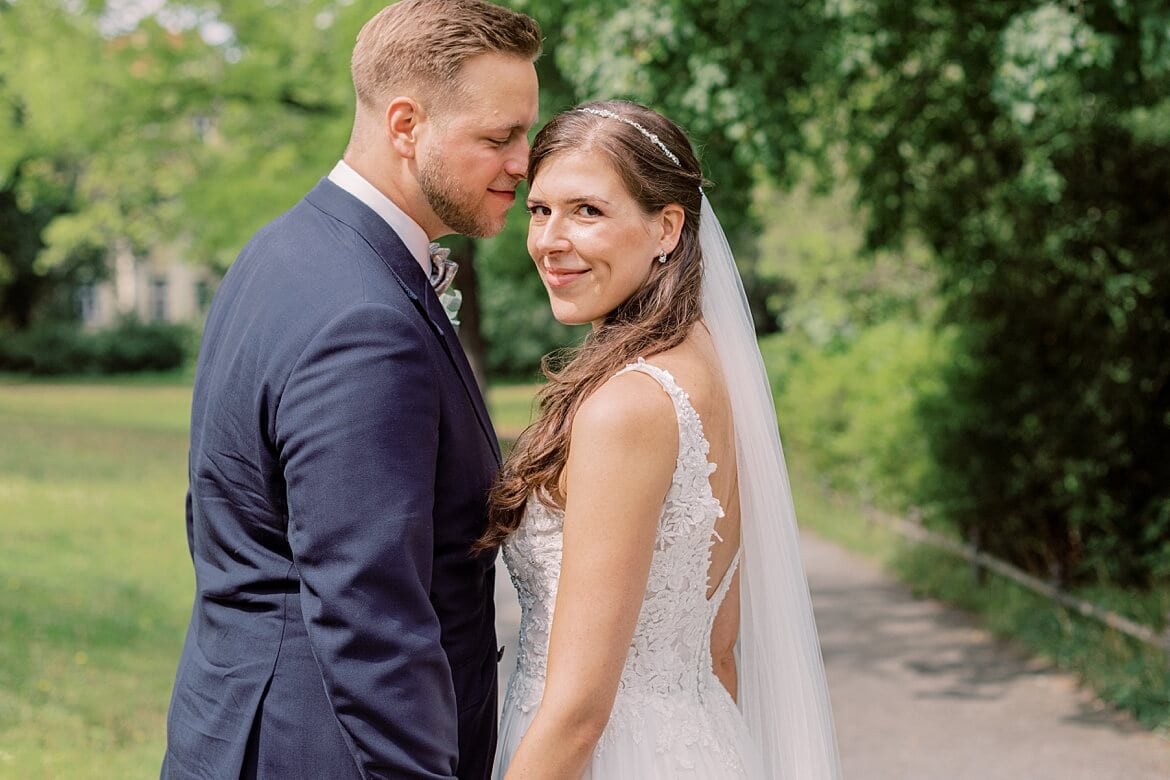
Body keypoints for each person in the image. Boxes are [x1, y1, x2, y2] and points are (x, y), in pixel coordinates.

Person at [161, 2, 540, 778]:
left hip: (234, 724)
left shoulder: (281, 249)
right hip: (324, 750)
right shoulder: (366, 319)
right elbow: (372, 616)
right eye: (499, 137)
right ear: (406, 125)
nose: (523, 162)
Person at [484, 101, 841, 779]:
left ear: (666, 228)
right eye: (539, 210)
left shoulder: (627, 408)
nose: (550, 241)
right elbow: (719, 647)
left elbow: (579, 713)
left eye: (587, 211)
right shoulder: (708, 371)